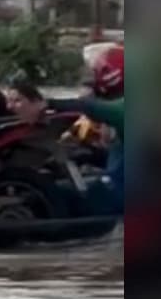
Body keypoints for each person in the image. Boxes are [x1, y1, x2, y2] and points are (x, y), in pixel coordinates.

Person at [13, 44, 126, 213]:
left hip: (118, 196)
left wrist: (49, 104)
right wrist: (89, 155)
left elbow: (91, 107)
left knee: (45, 196)